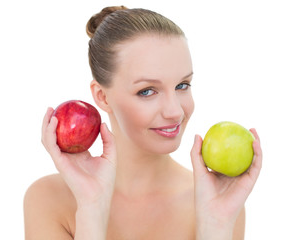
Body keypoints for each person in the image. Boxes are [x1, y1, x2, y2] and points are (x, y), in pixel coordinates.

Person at [24, 6, 262, 240]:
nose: (175, 111)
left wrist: (215, 226)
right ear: (102, 97)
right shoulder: (48, 199)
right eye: (147, 91)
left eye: (182, 85)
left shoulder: (219, 201)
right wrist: (91, 208)